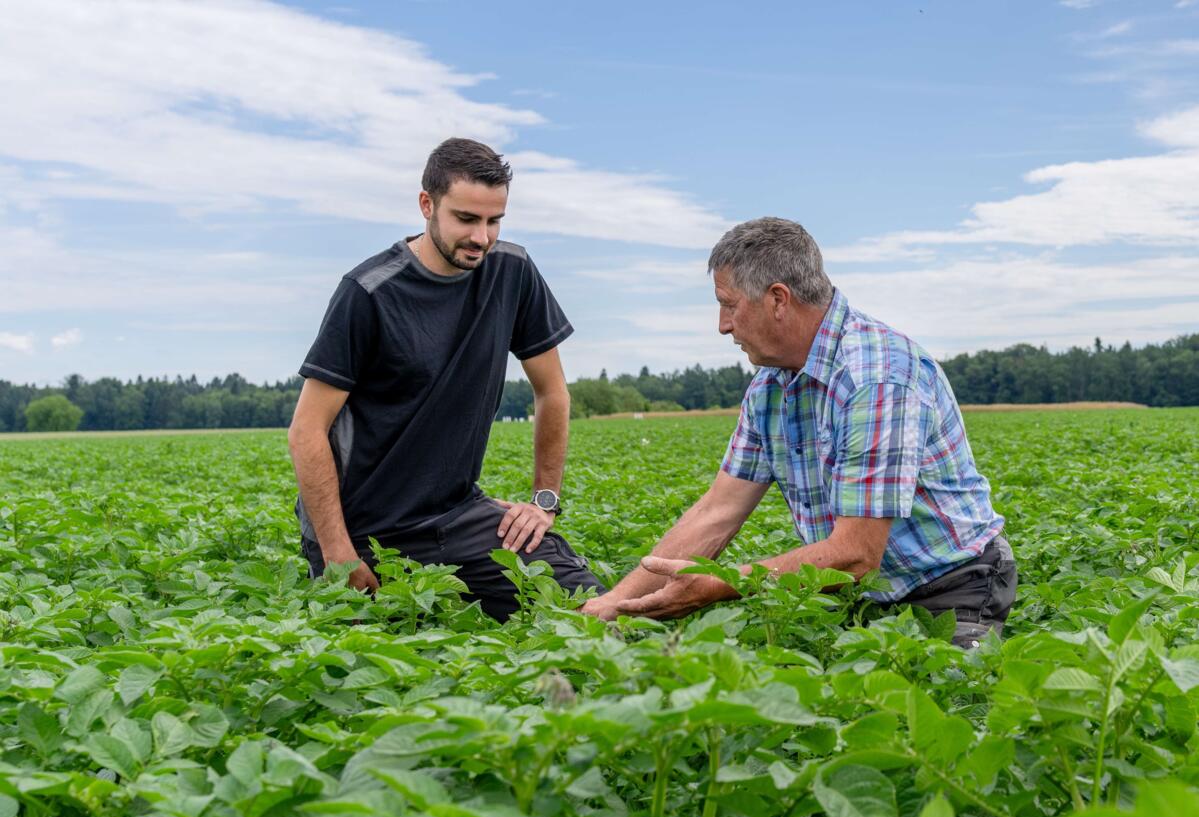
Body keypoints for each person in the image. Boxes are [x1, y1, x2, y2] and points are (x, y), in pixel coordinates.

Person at [581, 217, 1015, 649]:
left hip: (952, 588)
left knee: (943, 703)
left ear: (777, 300)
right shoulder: (770, 388)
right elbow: (718, 511)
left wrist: (719, 584)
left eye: (729, 304)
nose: (722, 324)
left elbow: (856, 553)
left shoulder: (876, 377)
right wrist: (615, 603)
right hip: (862, 595)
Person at [288, 137, 603, 621]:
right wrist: (338, 553)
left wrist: (544, 501)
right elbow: (307, 430)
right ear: (427, 205)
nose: (482, 237)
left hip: (457, 517)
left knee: (595, 610)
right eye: (466, 219)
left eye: (494, 220)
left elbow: (552, 391)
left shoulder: (512, 272)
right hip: (365, 531)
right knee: (377, 653)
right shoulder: (369, 293)